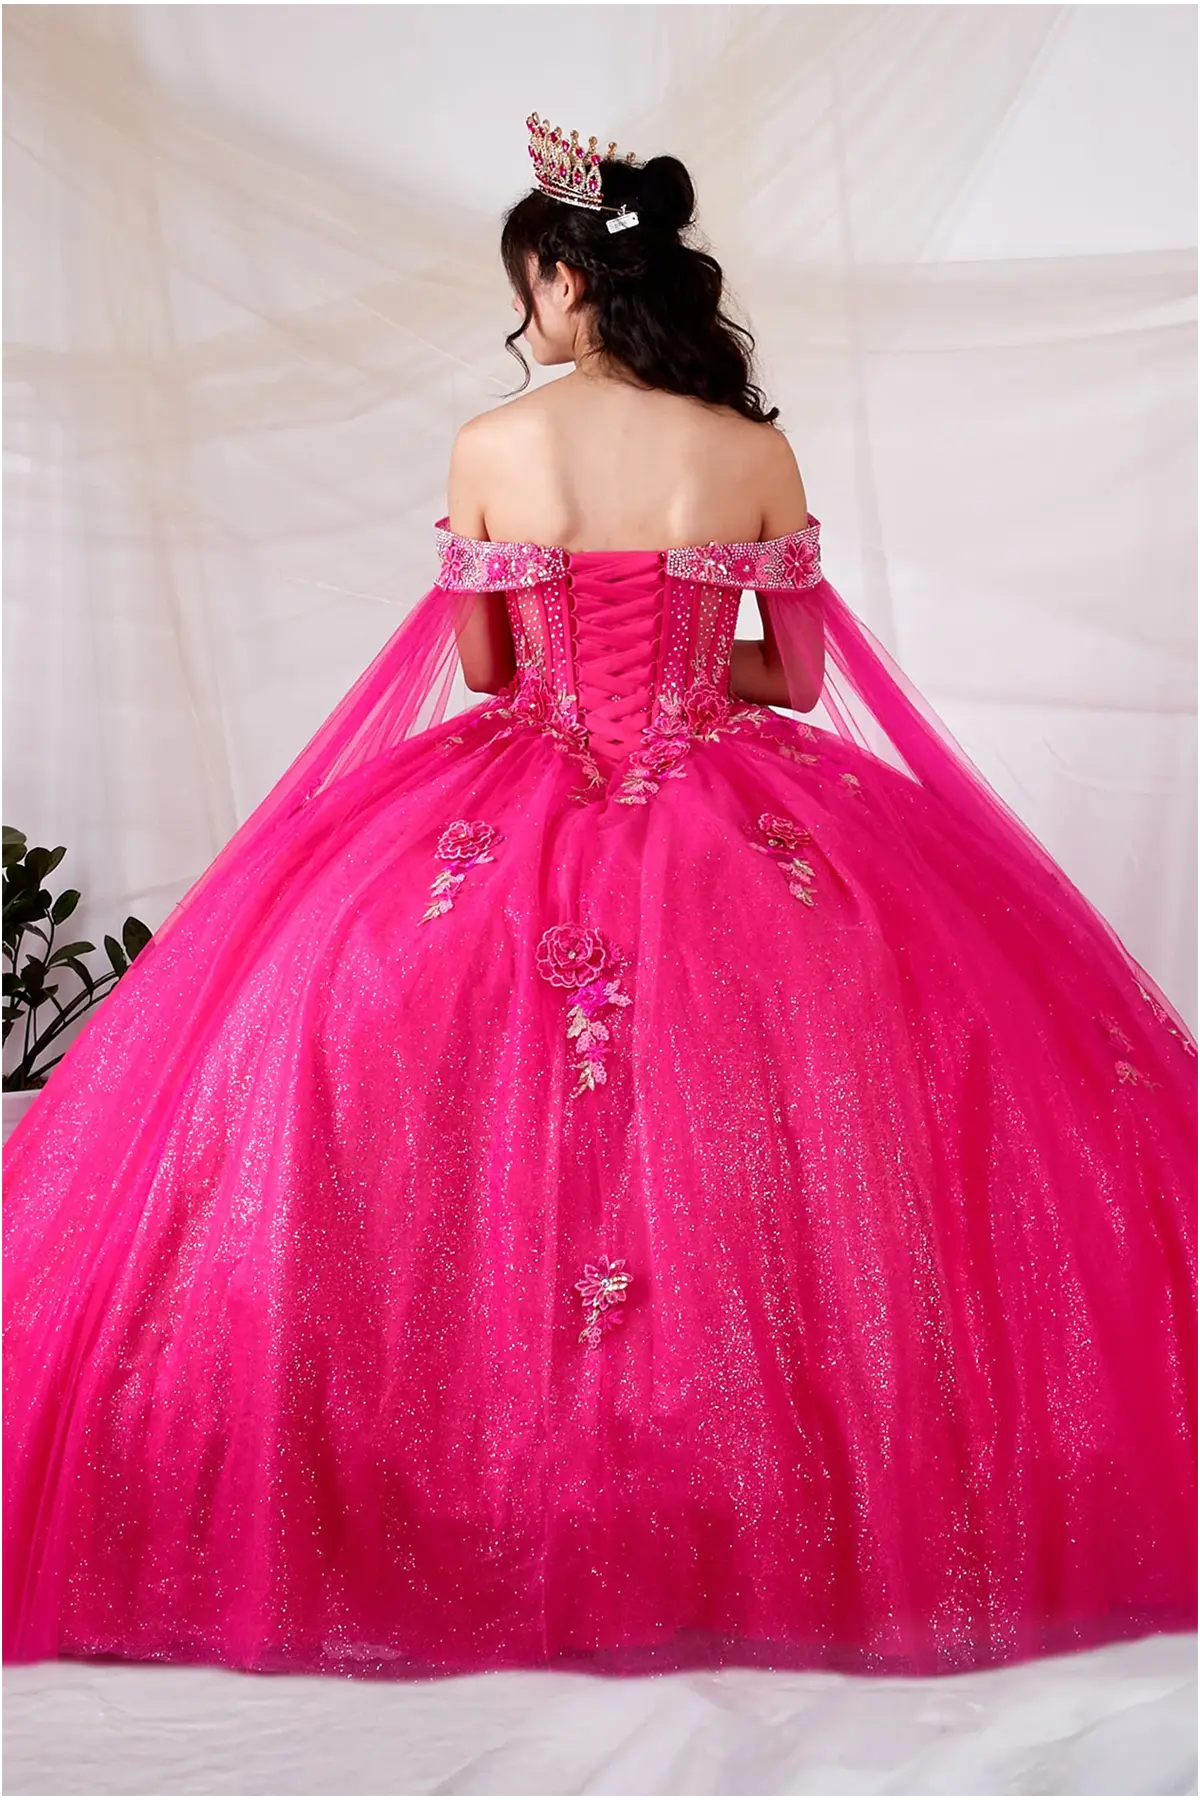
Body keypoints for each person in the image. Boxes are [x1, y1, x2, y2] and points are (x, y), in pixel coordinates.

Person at [2, 114, 1196, 1681]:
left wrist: (578, 668)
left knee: (406, 1096)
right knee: (796, 1121)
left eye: (529, 287)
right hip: (733, 808)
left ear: (567, 277)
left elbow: (485, 666)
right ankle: (769, 1490)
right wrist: (700, 675)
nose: (526, 317)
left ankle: (442, 1483)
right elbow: (806, 679)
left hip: (514, 806)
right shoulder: (750, 449)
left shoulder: (496, 448)